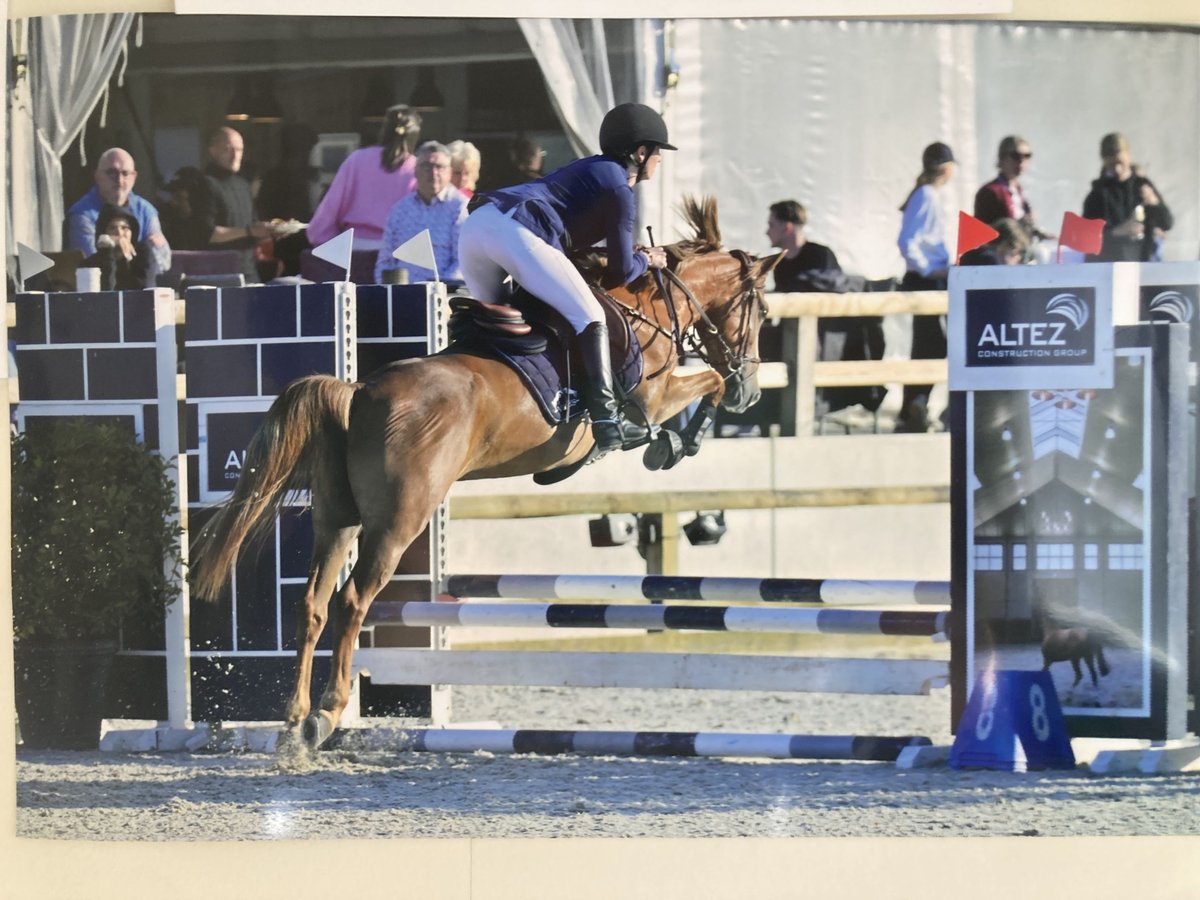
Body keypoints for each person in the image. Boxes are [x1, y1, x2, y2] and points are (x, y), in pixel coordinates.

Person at [458, 102, 674, 453]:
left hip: (479, 227)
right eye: (658, 152)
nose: (660, 159)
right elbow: (621, 272)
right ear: (640, 151)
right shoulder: (620, 187)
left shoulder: (591, 167)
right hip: (515, 232)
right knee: (590, 315)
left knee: (495, 327)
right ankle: (607, 421)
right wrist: (647, 259)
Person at [766, 200, 883, 418]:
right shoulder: (780, 263)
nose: (766, 231)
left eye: (771, 224)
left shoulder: (819, 255)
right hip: (792, 338)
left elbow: (832, 291)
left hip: (828, 341)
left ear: (787, 227)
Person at [895, 141, 955, 433]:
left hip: (930, 277)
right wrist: (931, 269)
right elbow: (907, 241)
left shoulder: (926, 195)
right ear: (947, 168)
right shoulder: (927, 196)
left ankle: (916, 404)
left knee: (930, 344)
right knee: (930, 344)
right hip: (927, 279)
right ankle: (913, 407)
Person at [306, 104, 422, 253]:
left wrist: (325, 241)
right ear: (414, 136)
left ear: (384, 130)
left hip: (353, 251)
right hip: (398, 253)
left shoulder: (357, 160)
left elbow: (330, 207)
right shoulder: (417, 168)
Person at [195, 126, 285, 282]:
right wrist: (250, 231)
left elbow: (253, 225)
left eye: (239, 150)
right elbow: (208, 234)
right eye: (228, 150)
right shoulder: (205, 184)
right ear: (212, 151)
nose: (235, 156)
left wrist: (271, 231)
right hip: (219, 274)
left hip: (249, 272)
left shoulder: (243, 185)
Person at [65, 147, 171, 275]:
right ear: (97, 176)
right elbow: (91, 265)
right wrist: (131, 253)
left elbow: (163, 261)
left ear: (134, 177)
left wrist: (111, 248)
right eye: (111, 172)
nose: (119, 180)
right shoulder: (82, 214)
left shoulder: (146, 211)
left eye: (125, 173)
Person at [375, 142, 468, 285]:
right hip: (402, 295)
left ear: (449, 172)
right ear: (415, 171)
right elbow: (385, 262)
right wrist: (388, 292)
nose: (433, 172)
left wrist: (436, 289)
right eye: (427, 166)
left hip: (443, 296)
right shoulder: (400, 210)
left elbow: (462, 263)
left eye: (439, 167)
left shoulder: (460, 208)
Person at [1082, 132, 1173, 262]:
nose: (1117, 169)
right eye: (1112, 165)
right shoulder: (1098, 193)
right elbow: (1086, 237)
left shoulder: (1142, 186)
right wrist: (1117, 232)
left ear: (1128, 157)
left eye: (1120, 163)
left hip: (1142, 263)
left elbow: (1167, 223)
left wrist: (1154, 203)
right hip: (1108, 264)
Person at [973, 135, 1052, 248]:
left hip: (1017, 255)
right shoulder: (989, 192)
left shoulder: (1018, 189)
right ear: (1002, 158)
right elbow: (982, 234)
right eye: (1016, 156)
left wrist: (1036, 232)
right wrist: (1019, 224)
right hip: (999, 258)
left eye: (1027, 156)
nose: (1021, 161)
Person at [81, 204, 153, 291]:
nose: (119, 233)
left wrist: (124, 260)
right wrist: (108, 253)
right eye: (112, 228)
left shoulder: (142, 254)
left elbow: (143, 292)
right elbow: (107, 292)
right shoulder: (90, 265)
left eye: (124, 227)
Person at [959, 217, 1030, 266]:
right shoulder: (991, 261)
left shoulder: (977, 252)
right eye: (1015, 253)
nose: (1018, 258)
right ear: (1005, 244)